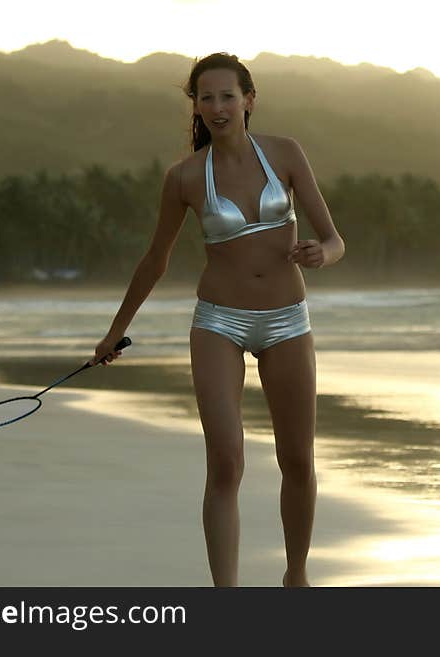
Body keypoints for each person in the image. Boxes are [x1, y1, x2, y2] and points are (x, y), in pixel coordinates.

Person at [92, 52, 345, 587]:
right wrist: (116, 331)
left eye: (227, 95)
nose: (217, 106)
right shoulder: (184, 177)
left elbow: (334, 239)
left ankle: (295, 577)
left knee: (297, 460)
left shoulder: (285, 153)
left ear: (249, 99)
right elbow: (155, 259)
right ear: (196, 106)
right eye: (205, 97)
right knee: (226, 464)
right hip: (218, 324)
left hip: (287, 322)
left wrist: (324, 253)